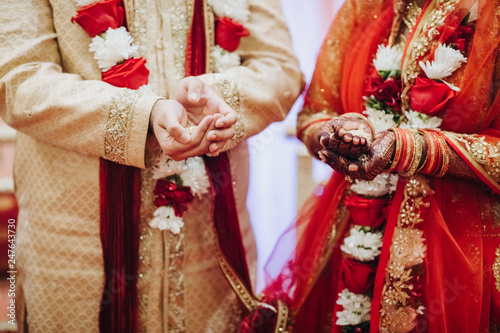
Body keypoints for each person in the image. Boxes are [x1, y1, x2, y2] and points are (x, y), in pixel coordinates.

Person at [0, 0, 304, 332]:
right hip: (74, 245)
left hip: (210, 243)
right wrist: (143, 117)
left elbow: (280, 67)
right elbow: (18, 80)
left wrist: (216, 99)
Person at [262, 0, 500, 332]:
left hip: (459, 259)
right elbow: (315, 111)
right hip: (354, 228)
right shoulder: (366, 5)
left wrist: (412, 147)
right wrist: (337, 135)